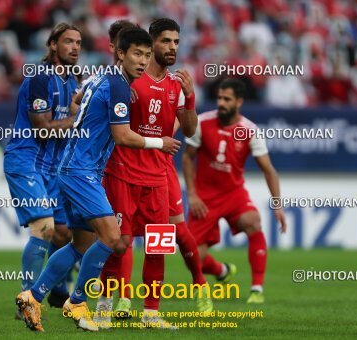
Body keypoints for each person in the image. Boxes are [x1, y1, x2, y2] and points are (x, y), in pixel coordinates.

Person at [15, 26, 181, 332]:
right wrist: (160, 143)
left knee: (81, 244)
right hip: (82, 172)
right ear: (120, 53)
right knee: (113, 237)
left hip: (74, 169)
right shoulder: (118, 85)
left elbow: (80, 103)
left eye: (147, 55)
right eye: (137, 54)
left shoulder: (104, 78)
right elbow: (121, 135)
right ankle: (77, 301)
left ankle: (33, 296)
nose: (143, 61)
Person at [97, 18, 199, 329]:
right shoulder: (127, 81)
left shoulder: (175, 86)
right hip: (122, 173)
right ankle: (103, 306)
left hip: (157, 178)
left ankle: (151, 313)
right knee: (118, 243)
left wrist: (191, 97)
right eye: (165, 41)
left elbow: (191, 130)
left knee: (158, 247)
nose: (172, 47)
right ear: (150, 43)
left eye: (176, 42)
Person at [182, 78, 287, 304]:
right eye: (219, 98)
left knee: (253, 221)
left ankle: (257, 289)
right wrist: (192, 194)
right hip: (205, 197)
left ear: (239, 102)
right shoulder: (202, 122)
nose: (221, 103)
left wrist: (277, 205)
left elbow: (269, 170)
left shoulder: (249, 130)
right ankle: (221, 270)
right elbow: (187, 158)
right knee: (192, 257)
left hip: (233, 194)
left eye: (227, 99)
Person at [3, 22, 80, 315]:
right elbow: (43, 129)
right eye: (68, 41)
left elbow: (70, 124)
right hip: (26, 161)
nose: (75, 47)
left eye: (79, 42)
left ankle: (58, 291)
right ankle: (27, 301)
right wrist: (79, 121)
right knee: (45, 229)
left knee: (67, 234)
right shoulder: (40, 78)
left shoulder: (72, 81)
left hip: (53, 168)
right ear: (53, 45)